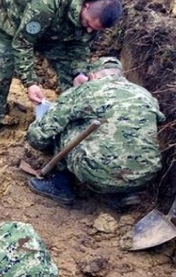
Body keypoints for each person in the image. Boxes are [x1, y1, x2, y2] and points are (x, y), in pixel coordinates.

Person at [0, 0, 124, 158]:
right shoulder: (46, 2)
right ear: (86, 5)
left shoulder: (95, 15)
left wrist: (78, 72)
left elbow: (80, 46)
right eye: (88, 24)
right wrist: (30, 83)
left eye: (94, 29)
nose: (89, 30)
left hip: (55, 35)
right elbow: (23, 42)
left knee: (78, 81)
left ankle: (67, 130)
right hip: (8, 28)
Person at [26, 57, 166, 207]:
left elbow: (41, 132)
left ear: (92, 76)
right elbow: (159, 122)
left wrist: (40, 144)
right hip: (145, 175)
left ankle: (61, 184)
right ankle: (124, 194)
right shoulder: (144, 93)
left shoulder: (87, 90)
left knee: (66, 124)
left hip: (97, 174)